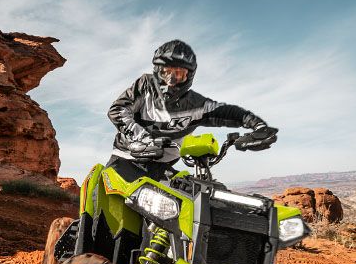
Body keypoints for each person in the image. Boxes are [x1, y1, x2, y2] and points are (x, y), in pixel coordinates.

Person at [106, 39, 278, 182]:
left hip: (163, 168)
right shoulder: (145, 85)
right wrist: (142, 138)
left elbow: (227, 112)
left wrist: (258, 126)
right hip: (126, 160)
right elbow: (118, 109)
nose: (171, 80)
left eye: (178, 73)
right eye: (166, 72)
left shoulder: (196, 104)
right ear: (157, 70)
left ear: (189, 76)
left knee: (192, 200)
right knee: (105, 199)